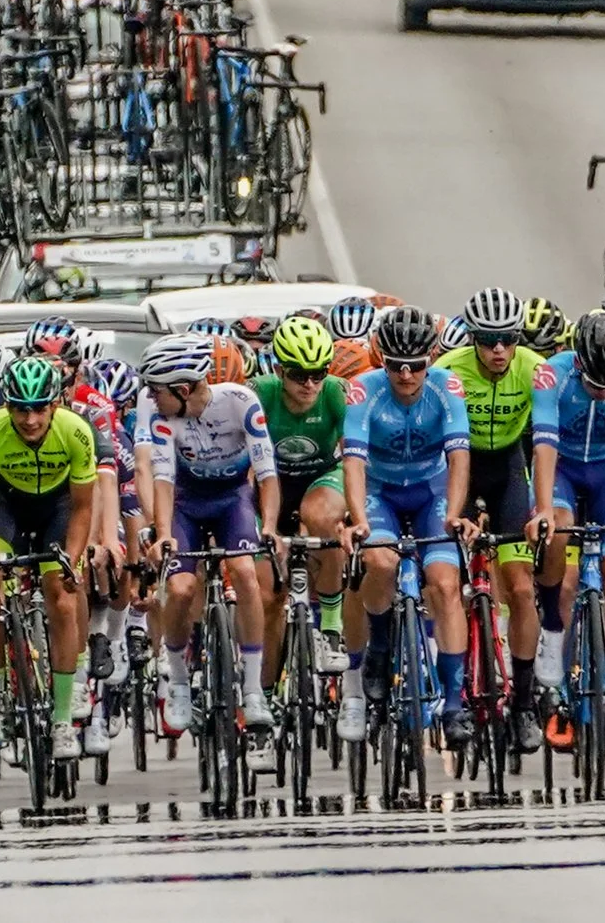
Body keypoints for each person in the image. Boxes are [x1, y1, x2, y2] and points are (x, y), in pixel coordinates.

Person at [0, 357, 104, 770]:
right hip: (7, 508)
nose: (30, 418)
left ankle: (61, 722)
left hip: (57, 508)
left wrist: (71, 563)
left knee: (61, 593)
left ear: (55, 405)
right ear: (7, 406)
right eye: (20, 408)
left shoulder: (76, 432)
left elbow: (82, 509)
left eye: (39, 408)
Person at [342, 304, 477, 748]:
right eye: (396, 366)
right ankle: (379, 649)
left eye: (416, 366)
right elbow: (355, 464)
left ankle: (455, 703)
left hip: (431, 490)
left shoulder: (447, 388)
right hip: (380, 490)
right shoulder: (364, 390)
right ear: (382, 359)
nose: (405, 376)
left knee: (443, 582)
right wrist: (360, 521)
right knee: (378, 563)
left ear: (431, 357)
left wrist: (455, 514)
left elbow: (459, 458)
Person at [529, 311, 605, 755]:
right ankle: (551, 630)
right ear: (578, 363)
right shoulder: (551, 376)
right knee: (557, 531)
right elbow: (543, 446)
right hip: (562, 467)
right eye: (597, 382)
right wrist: (543, 509)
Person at [143, 333, 279, 736]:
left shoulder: (240, 402)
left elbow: (267, 473)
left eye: (156, 390)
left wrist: (268, 525)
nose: (151, 399)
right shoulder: (163, 419)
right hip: (188, 505)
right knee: (182, 589)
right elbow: (164, 480)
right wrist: (164, 534)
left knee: (245, 571)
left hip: (231, 500)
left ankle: (253, 688)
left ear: (183, 389)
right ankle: (180, 680)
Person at [437, 288, 548, 753]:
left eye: (507, 339)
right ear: (473, 339)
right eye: (487, 340)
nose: (498, 350)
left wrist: (542, 507)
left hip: (507, 468)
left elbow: (543, 440)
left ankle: (523, 701)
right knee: (451, 589)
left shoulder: (535, 370)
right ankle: (457, 691)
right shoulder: (447, 372)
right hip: (457, 467)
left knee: (521, 588)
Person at [253, 316, 354, 693]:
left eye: (319, 372)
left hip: (321, 479)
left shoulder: (335, 392)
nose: (310, 383)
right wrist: (264, 525)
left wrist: (357, 517)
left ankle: (330, 626)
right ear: (279, 370)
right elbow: (248, 467)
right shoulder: (259, 394)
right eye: (299, 375)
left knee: (323, 516)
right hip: (270, 482)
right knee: (269, 596)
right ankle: (264, 693)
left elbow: (354, 457)